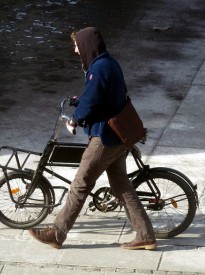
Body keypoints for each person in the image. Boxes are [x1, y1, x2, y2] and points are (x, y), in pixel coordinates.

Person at [29, 27, 156, 250]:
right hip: (118, 136)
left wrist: (75, 119)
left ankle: (57, 233)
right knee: (121, 186)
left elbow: (94, 101)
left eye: (77, 45)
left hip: (104, 137)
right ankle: (145, 235)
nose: (76, 50)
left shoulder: (98, 69)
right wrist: (82, 101)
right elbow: (100, 97)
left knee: (80, 184)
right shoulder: (109, 63)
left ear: (87, 45)